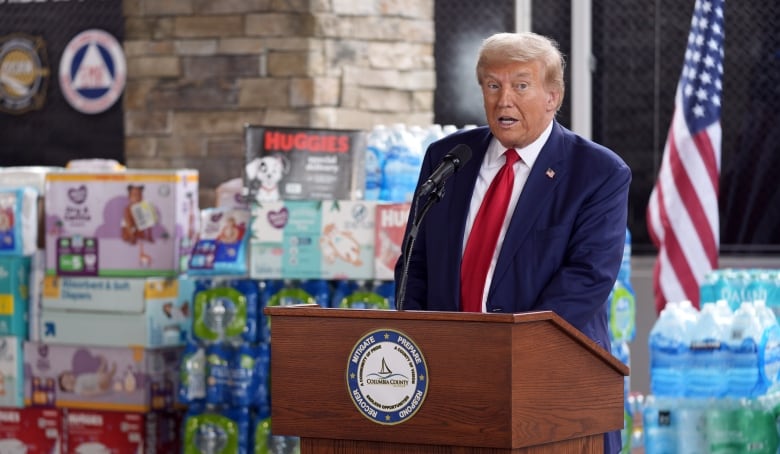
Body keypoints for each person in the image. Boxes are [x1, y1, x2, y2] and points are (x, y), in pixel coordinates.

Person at [394, 32, 630, 454]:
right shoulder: (448, 158)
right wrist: (417, 345)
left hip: (549, 383)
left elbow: (587, 278)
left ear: (552, 97)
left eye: (521, 85)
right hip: (449, 380)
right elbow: (416, 262)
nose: (504, 100)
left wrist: (506, 353)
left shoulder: (597, 171)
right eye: (492, 85)